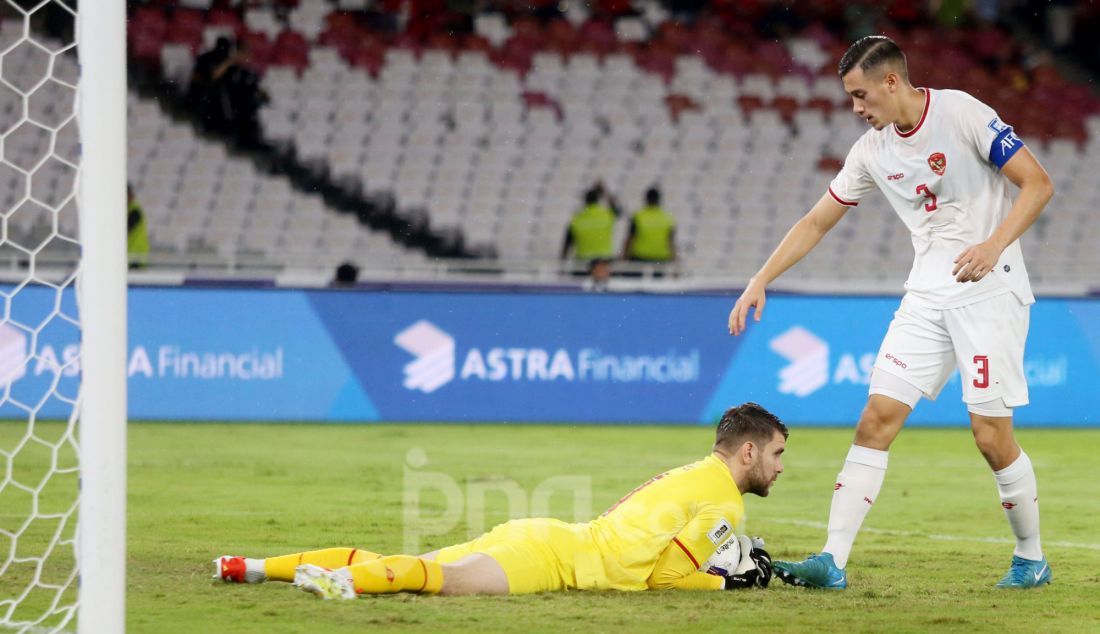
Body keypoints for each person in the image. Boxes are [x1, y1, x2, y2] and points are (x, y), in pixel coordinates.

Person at [728, 36, 1054, 590]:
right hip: (926, 296)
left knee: (990, 435)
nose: (856, 108)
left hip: (990, 291)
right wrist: (761, 278)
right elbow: (816, 221)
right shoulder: (871, 150)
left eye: (860, 95)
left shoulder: (962, 113)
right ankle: (831, 562)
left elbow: (1038, 183)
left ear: (891, 82)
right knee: (875, 419)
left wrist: (993, 244)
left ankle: (1031, 558)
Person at [214, 403, 787, 598]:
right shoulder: (726, 504)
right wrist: (732, 581)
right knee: (446, 581)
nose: (780, 468)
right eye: (776, 454)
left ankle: (250, 567)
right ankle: (340, 583)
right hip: (557, 559)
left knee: (426, 566)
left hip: (551, 537)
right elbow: (667, 578)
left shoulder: (697, 474)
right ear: (747, 452)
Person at [560, 182, 621, 262]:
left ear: (585, 201)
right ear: (598, 200)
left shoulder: (577, 218)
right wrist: (605, 193)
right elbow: (619, 211)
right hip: (605, 260)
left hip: (583, 260)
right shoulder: (607, 214)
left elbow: (567, 243)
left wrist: (563, 260)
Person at [622, 186, 677, 265]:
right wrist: (674, 259)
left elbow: (630, 238)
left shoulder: (638, 216)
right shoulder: (667, 218)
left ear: (646, 199)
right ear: (659, 200)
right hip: (660, 257)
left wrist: (625, 256)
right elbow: (671, 242)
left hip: (640, 256)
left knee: (632, 276)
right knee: (658, 276)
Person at [127, 184, 149, 269]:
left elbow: (125, 230)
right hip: (131, 255)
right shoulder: (131, 209)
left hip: (136, 256)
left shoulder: (135, 211)